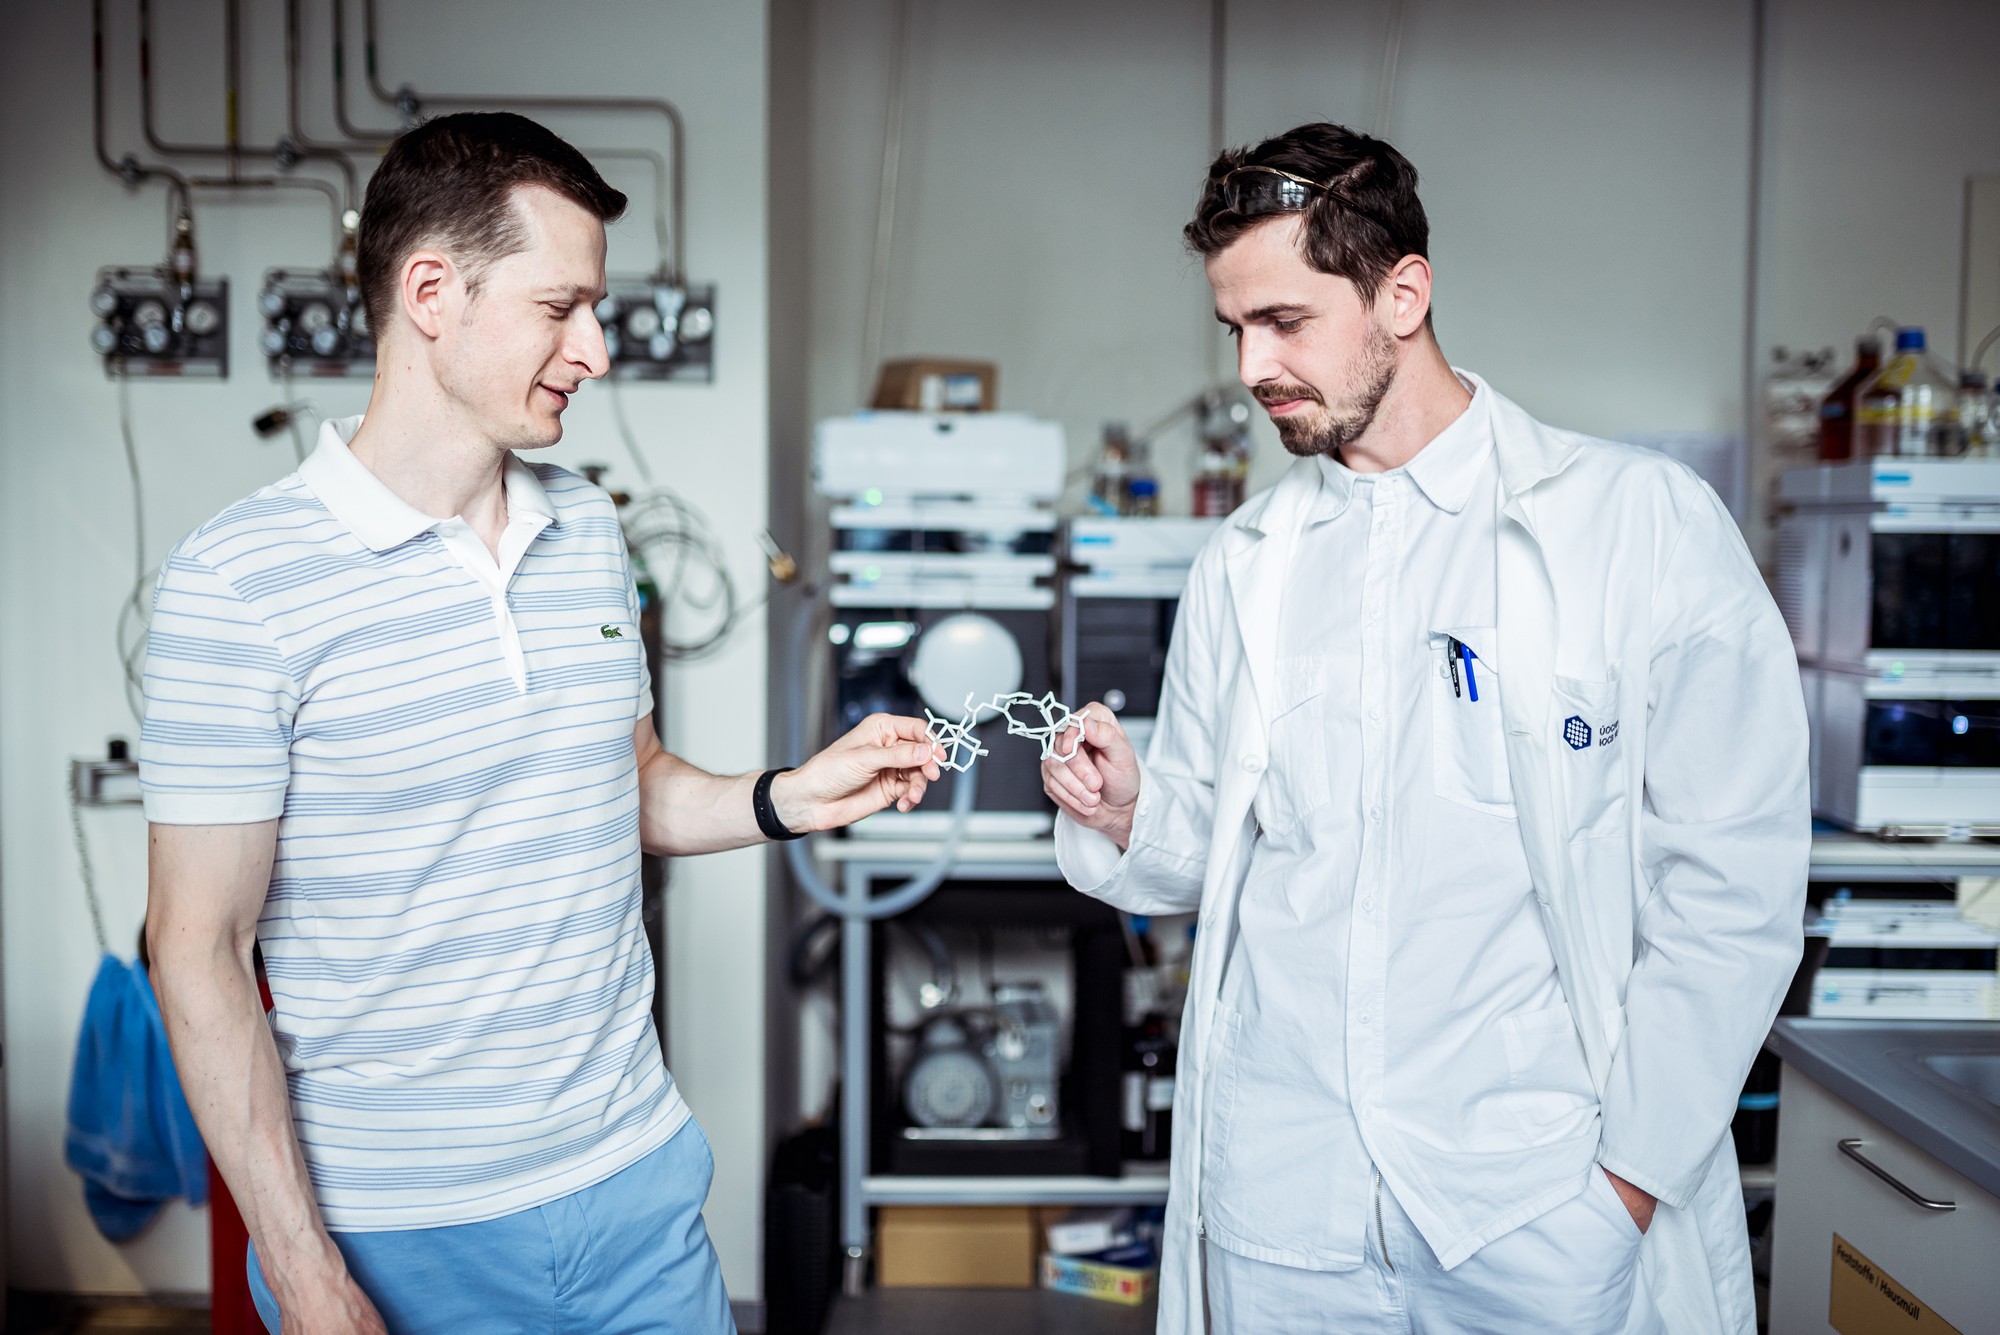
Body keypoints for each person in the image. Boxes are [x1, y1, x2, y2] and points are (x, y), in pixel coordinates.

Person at [141, 112, 942, 1335]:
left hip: (635, 1188)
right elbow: (198, 951)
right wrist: (304, 1270)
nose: (598, 350)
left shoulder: (586, 531)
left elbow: (626, 786)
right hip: (399, 1229)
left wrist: (790, 795)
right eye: (561, 307)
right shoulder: (238, 583)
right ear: (430, 293)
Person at [1043, 122, 1807, 1335]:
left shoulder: (1633, 527)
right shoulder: (1243, 564)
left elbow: (1731, 885)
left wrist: (1623, 1187)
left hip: (1532, 1204)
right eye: (1233, 328)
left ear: (1402, 293)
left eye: (1284, 322)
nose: (1249, 367)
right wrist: (1134, 809)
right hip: (1283, 1206)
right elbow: (1209, 857)